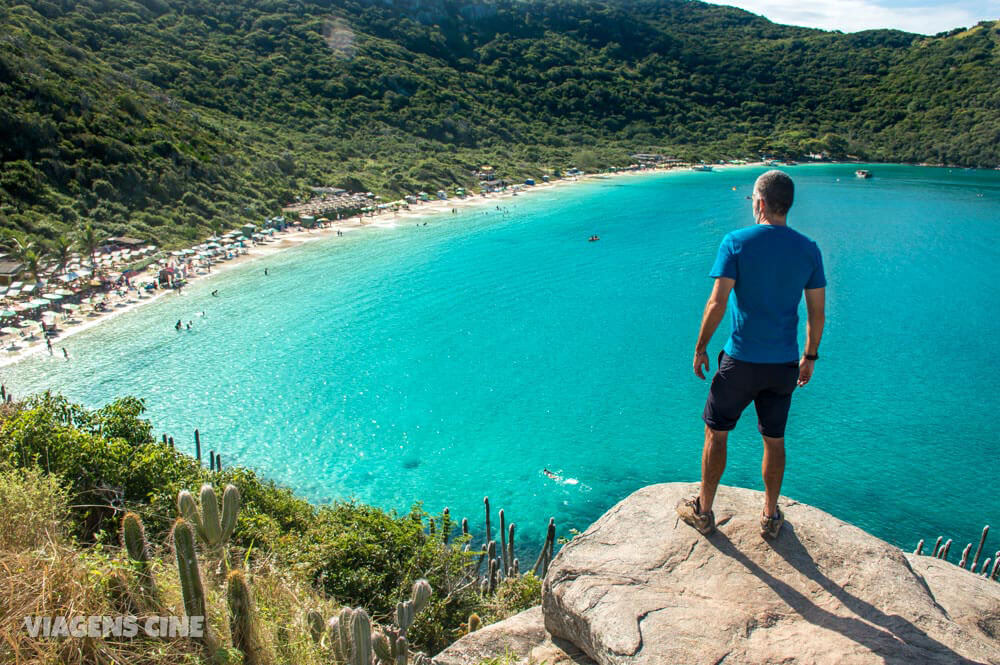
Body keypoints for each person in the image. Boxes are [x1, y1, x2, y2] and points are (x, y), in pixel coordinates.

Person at [677, 170, 826, 540]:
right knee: (774, 439)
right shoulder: (809, 249)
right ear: (787, 205)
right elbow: (817, 312)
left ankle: (704, 511)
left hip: (740, 362)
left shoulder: (736, 242)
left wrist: (700, 347)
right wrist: (809, 356)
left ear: (758, 203)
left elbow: (717, 301)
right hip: (784, 366)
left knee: (716, 434)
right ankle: (770, 516)